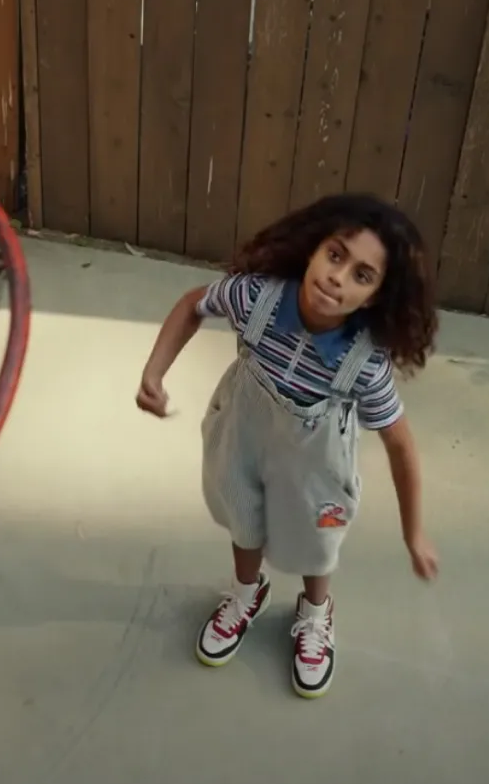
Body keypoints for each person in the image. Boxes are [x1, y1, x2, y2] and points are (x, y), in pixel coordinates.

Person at [136, 192, 440, 699]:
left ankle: (316, 612)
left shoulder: (365, 364)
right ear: (312, 249)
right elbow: (194, 304)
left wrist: (414, 533)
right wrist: (154, 370)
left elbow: (401, 446)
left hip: (316, 465)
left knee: (316, 541)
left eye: (362, 275)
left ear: (374, 297)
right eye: (335, 255)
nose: (338, 277)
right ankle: (245, 592)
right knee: (243, 513)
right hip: (243, 435)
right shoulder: (256, 297)